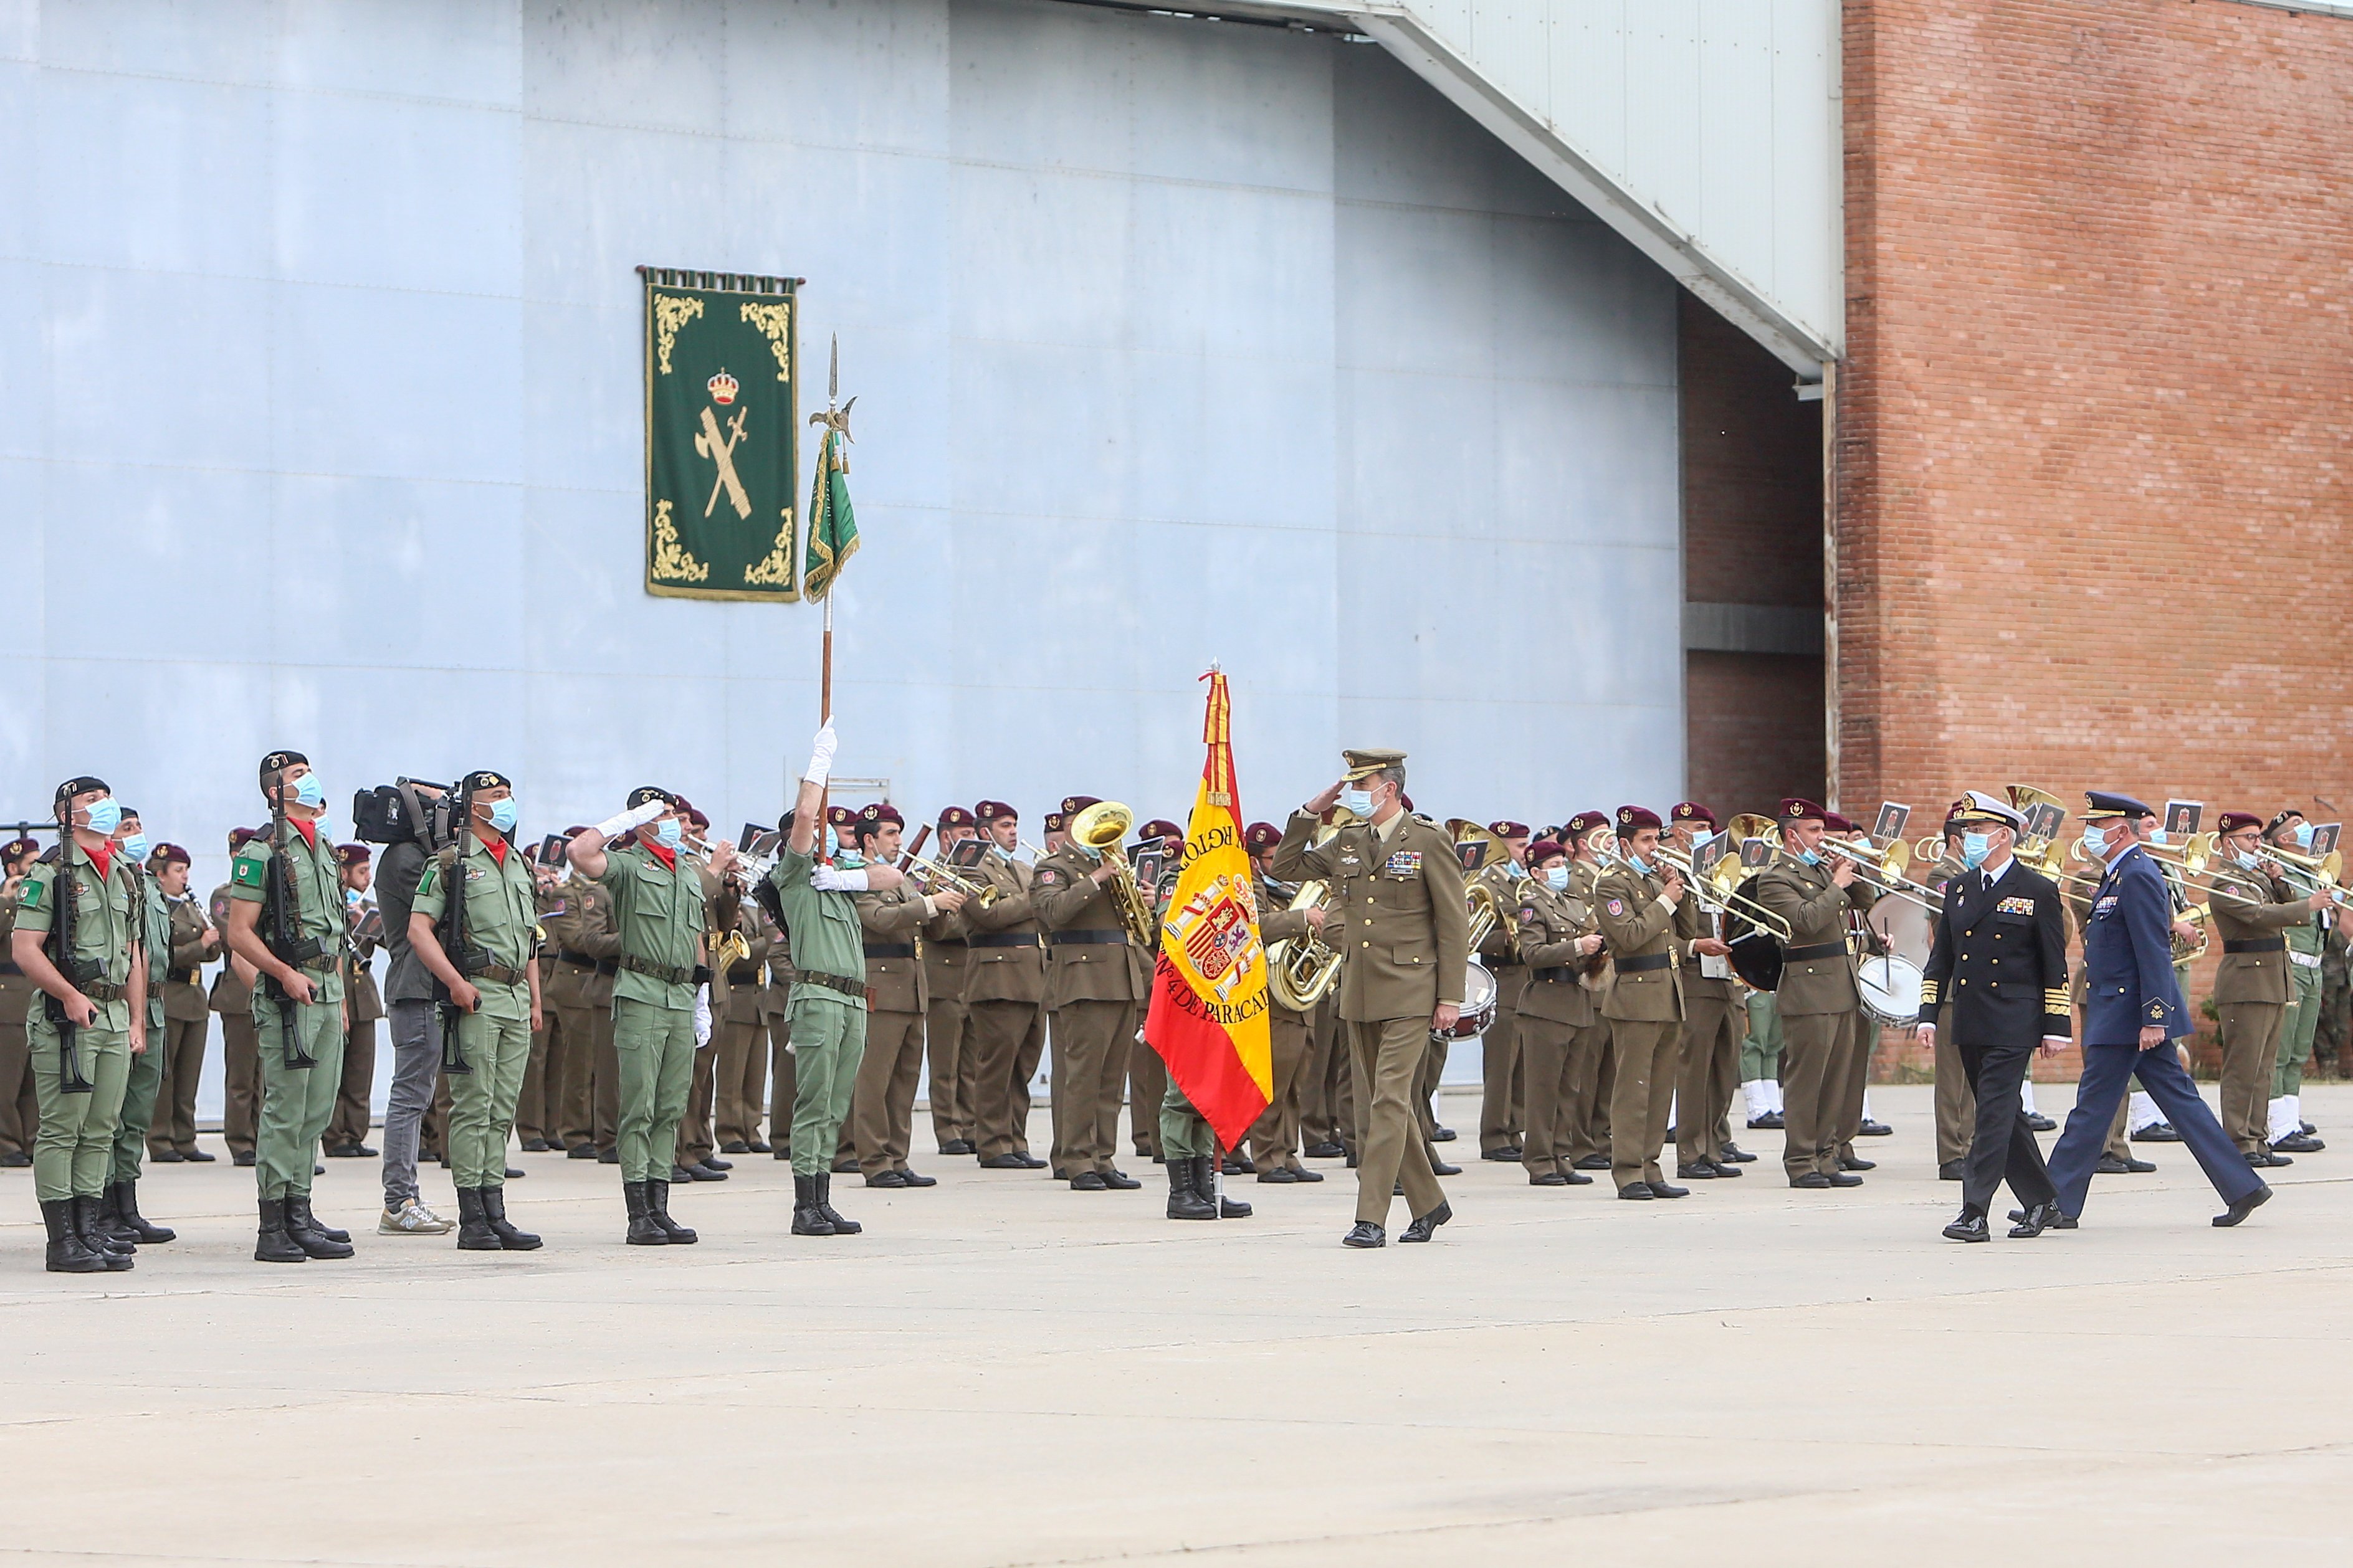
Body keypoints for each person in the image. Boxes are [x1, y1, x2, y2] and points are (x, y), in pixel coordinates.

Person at [2047, 792, 2271, 1227]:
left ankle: (2054, 1199)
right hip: (2124, 1013)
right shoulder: (2118, 875)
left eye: (2098, 825)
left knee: (2091, 1109)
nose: (2090, 833)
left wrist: (2154, 1016)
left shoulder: (2137, 874)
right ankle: (2243, 1185)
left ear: (2119, 830)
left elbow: (2152, 950)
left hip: (2128, 1017)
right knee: (2181, 1103)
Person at [1274, 748, 1466, 1248]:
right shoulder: (1349, 840)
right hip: (1359, 988)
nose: (1356, 795)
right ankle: (1430, 1204)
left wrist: (1450, 995)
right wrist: (1311, 811)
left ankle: (1371, 1217)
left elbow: (1452, 924)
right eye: (1353, 786)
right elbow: (1286, 864)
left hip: (1411, 989)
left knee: (1387, 1100)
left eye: (1365, 786)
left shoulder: (1427, 840)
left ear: (1391, 789)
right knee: (1380, 1106)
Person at [568, 784, 718, 1246]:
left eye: (674, 811)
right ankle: (638, 1213)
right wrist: (622, 822)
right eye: (665, 813)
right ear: (643, 819)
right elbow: (580, 852)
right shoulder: (630, 865)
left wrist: (701, 994)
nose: (675, 820)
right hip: (642, 991)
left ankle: (661, 1206)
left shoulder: (686, 872)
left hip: (679, 994)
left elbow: (695, 933)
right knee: (640, 1105)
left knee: (672, 1105)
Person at [1916, 793, 2068, 1242]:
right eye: (1967, 831)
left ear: (2004, 835)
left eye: (1979, 831)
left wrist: (2055, 1025)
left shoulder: (2037, 889)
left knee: (1993, 1116)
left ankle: (1974, 1210)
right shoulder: (1960, 887)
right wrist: (1928, 1014)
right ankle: (2043, 1201)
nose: (1970, 838)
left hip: (2015, 1019)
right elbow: (1941, 958)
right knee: (2004, 1113)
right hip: (1970, 1017)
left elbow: (2053, 963)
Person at [224, 751, 356, 1264]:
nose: (310, 779)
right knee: (286, 1109)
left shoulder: (322, 846)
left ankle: (300, 1212)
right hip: (289, 992)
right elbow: (238, 933)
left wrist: (340, 994)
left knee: (316, 1109)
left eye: (308, 770)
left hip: (327, 989)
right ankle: (273, 1223)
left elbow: (336, 934)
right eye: (297, 775)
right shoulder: (262, 850)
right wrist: (282, 973)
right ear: (274, 792)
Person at [409, 771, 545, 1252]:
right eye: (495, 796)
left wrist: (535, 996)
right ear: (473, 806)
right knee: (474, 1105)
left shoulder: (519, 864)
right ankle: (472, 1216)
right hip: (477, 994)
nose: (505, 803)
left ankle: (496, 1210)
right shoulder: (451, 861)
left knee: (502, 1108)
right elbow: (419, 929)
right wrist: (454, 982)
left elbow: (529, 938)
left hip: (514, 998)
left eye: (508, 794)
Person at [14, 779, 145, 1272]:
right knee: (63, 1128)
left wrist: (135, 1019)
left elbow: (132, 955)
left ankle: (90, 1230)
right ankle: (62, 1239)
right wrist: (67, 994)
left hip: (111, 1015)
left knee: (101, 1128)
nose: (103, 805)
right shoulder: (49, 873)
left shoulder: (124, 877)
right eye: (90, 800)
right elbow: (25, 947)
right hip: (66, 1015)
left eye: (105, 797)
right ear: (66, 815)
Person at [766, 723, 885, 1236]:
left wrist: (849, 877)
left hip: (853, 1001)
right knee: (813, 1103)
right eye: (812, 835)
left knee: (837, 1105)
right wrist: (819, 766)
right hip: (816, 995)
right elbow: (806, 814)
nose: (820, 838)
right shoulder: (794, 876)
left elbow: (894, 877)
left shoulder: (834, 881)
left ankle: (823, 1198)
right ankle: (803, 1205)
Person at [1031, 796, 1152, 1192]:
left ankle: (1103, 1156)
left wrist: (1145, 900)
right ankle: (1076, 1159)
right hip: (1083, 981)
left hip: (1120, 978)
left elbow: (1135, 928)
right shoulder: (1054, 868)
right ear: (1069, 826)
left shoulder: (1113, 867)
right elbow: (1052, 914)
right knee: (1083, 1076)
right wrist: (1098, 879)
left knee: (1112, 1078)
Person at [1754, 798, 1875, 1189]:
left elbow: (1864, 904)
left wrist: (1856, 874)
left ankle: (1827, 1156)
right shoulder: (1775, 878)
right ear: (1792, 835)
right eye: (1815, 831)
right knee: (1808, 1080)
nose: (1823, 839)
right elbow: (1806, 921)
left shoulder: (1821, 870)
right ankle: (1801, 1160)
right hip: (1809, 989)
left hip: (1842, 985)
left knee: (1836, 1079)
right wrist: (1838, 884)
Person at [848, 802, 966, 1187]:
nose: (899, 841)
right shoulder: (860, 876)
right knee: (875, 1079)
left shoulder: (901, 880)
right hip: (881, 986)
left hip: (913, 986)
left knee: (905, 1080)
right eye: (890, 834)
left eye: (900, 833)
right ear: (870, 840)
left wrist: (944, 907)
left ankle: (898, 1157)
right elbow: (878, 919)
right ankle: (875, 1160)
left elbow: (935, 933)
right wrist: (929, 904)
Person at [2205, 810, 2329, 1167]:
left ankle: (2258, 1139)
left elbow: (2275, 907)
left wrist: (2281, 883)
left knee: (2265, 1067)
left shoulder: (2257, 876)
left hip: (2273, 977)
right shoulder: (2225, 880)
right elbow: (2259, 917)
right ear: (2230, 843)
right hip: (2246, 979)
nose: (2258, 844)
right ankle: (2238, 1142)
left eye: (2259, 837)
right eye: (2250, 839)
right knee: (2244, 1067)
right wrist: (2308, 904)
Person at [371, 782, 457, 1237]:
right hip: (417, 988)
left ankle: (404, 1198)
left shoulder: (409, 857)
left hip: (424, 989)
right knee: (411, 1096)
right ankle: (399, 1200)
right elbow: (449, 911)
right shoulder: (407, 860)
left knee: (417, 1094)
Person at [1592, 807, 1689, 1201]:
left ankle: (1651, 1165)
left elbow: (1687, 933)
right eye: (1646, 840)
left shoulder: (1653, 882)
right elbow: (1630, 936)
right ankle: (1628, 1170)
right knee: (1634, 1089)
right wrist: (1665, 900)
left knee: (1661, 1089)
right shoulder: (1612, 884)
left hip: (1667, 992)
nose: (1654, 847)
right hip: (1635, 993)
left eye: (1655, 839)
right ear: (1624, 844)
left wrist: (1680, 890)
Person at [97, 809, 175, 1248]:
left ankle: (128, 1205)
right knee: (111, 1113)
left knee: (138, 1115)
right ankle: (105, 1209)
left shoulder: (147, 884)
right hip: (127, 1007)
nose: (137, 835)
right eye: (127, 828)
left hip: (157, 1005)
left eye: (139, 826)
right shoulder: (113, 881)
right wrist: (134, 1015)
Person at [1513, 835, 1604, 1188]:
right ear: (1537, 873)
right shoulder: (1532, 906)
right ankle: (1539, 1160)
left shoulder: (1575, 903)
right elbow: (1532, 954)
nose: (1561, 871)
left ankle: (1562, 1156)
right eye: (1553, 867)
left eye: (1562, 865)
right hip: (1546, 1003)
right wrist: (1576, 945)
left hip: (1576, 999)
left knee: (1569, 1088)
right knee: (1543, 1089)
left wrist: (1596, 951)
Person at [963, 801, 1049, 1171]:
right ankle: (994, 1144)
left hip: (1032, 979)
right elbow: (990, 914)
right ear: (986, 832)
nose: (1013, 831)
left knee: (1022, 1067)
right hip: (997, 978)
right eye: (1004, 826)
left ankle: (1016, 1138)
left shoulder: (1025, 868)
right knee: (997, 1066)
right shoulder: (971, 868)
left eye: (1014, 824)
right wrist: (1036, 896)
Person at [1243, 821, 1328, 1184]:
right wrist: (1300, 918)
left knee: (1297, 1082)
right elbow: (1251, 925)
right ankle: (1267, 1156)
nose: (1279, 864)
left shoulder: (1290, 887)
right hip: (1272, 997)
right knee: (1273, 1082)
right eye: (1271, 858)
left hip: (1297, 995)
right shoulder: (1250, 883)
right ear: (1255, 859)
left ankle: (1288, 1153)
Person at [1667, 802, 1743, 1181]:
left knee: (1723, 1068)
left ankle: (1713, 1146)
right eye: (1698, 828)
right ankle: (1690, 1152)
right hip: (1695, 977)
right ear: (1679, 832)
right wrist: (1695, 946)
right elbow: (1670, 934)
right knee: (1694, 1070)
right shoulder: (1673, 873)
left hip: (1726, 978)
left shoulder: (1714, 873)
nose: (1705, 835)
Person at [2261, 809, 2329, 1154]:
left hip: (2314, 966)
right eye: (2297, 827)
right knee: (2281, 1047)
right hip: (2291, 964)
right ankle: (2276, 1125)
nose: (2306, 830)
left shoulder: (2313, 869)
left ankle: (2290, 1117)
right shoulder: (2279, 869)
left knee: (2299, 1050)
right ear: (2284, 839)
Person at [144, 841, 216, 1164]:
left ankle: (186, 1138)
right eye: (178, 871)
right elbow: (162, 958)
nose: (185, 876)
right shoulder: (156, 909)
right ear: (160, 876)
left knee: (189, 1075)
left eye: (186, 870)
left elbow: (211, 953)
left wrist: (211, 943)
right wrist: (199, 945)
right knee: (166, 1075)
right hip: (169, 996)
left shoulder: (189, 907)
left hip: (194, 998)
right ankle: (160, 1139)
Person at [922, 805, 981, 1155]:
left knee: (971, 1061)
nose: (971, 842)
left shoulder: (977, 874)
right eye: (964, 836)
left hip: (971, 975)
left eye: (973, 835)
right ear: (947, 838)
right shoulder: (925, 874)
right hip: (943, 979)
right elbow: (936, 928)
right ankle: (948, 1130)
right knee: (945, 1062)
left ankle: (971, 1124)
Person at [1475, 820, 1531, 1162]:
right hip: (1503, 980)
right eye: (1519, 846)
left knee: (1522, 1063)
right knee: (1501, 1065)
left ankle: (1514, 1128)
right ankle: (1494, 1135)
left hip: (1527, 983)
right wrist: (1512, 938)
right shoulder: (1486, 884)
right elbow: (1478, 935)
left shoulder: (1521, 883)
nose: (1525, 853)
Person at [209, 828, 264, 1166]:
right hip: (238, 993)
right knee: (243, 1075)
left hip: (268, 986)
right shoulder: (225, 895)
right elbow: (237, 936)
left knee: (268, 1075)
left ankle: (263, 1138)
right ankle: (241, 1141)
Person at [325, 844, 383, 1158]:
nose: (367, 878)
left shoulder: (368, 906)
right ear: (344, 873)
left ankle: (356, 1133)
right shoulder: (330, 904)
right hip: (339, 990)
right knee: (336, 1070)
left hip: (365, 996)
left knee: (361, 1070)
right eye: (362, 872)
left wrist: (366, 921)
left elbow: (390, 940)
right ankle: (334, 1136)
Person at [0, 836, 44, 1168]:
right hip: (8, 1002)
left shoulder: (39, 901)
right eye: (32, 864)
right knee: (7, 1078)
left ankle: (32, 1140)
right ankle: (6, 1142)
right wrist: (6, 900)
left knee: (35, 1080)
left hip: (35, 998)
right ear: (14, 868)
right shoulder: (5, 903)